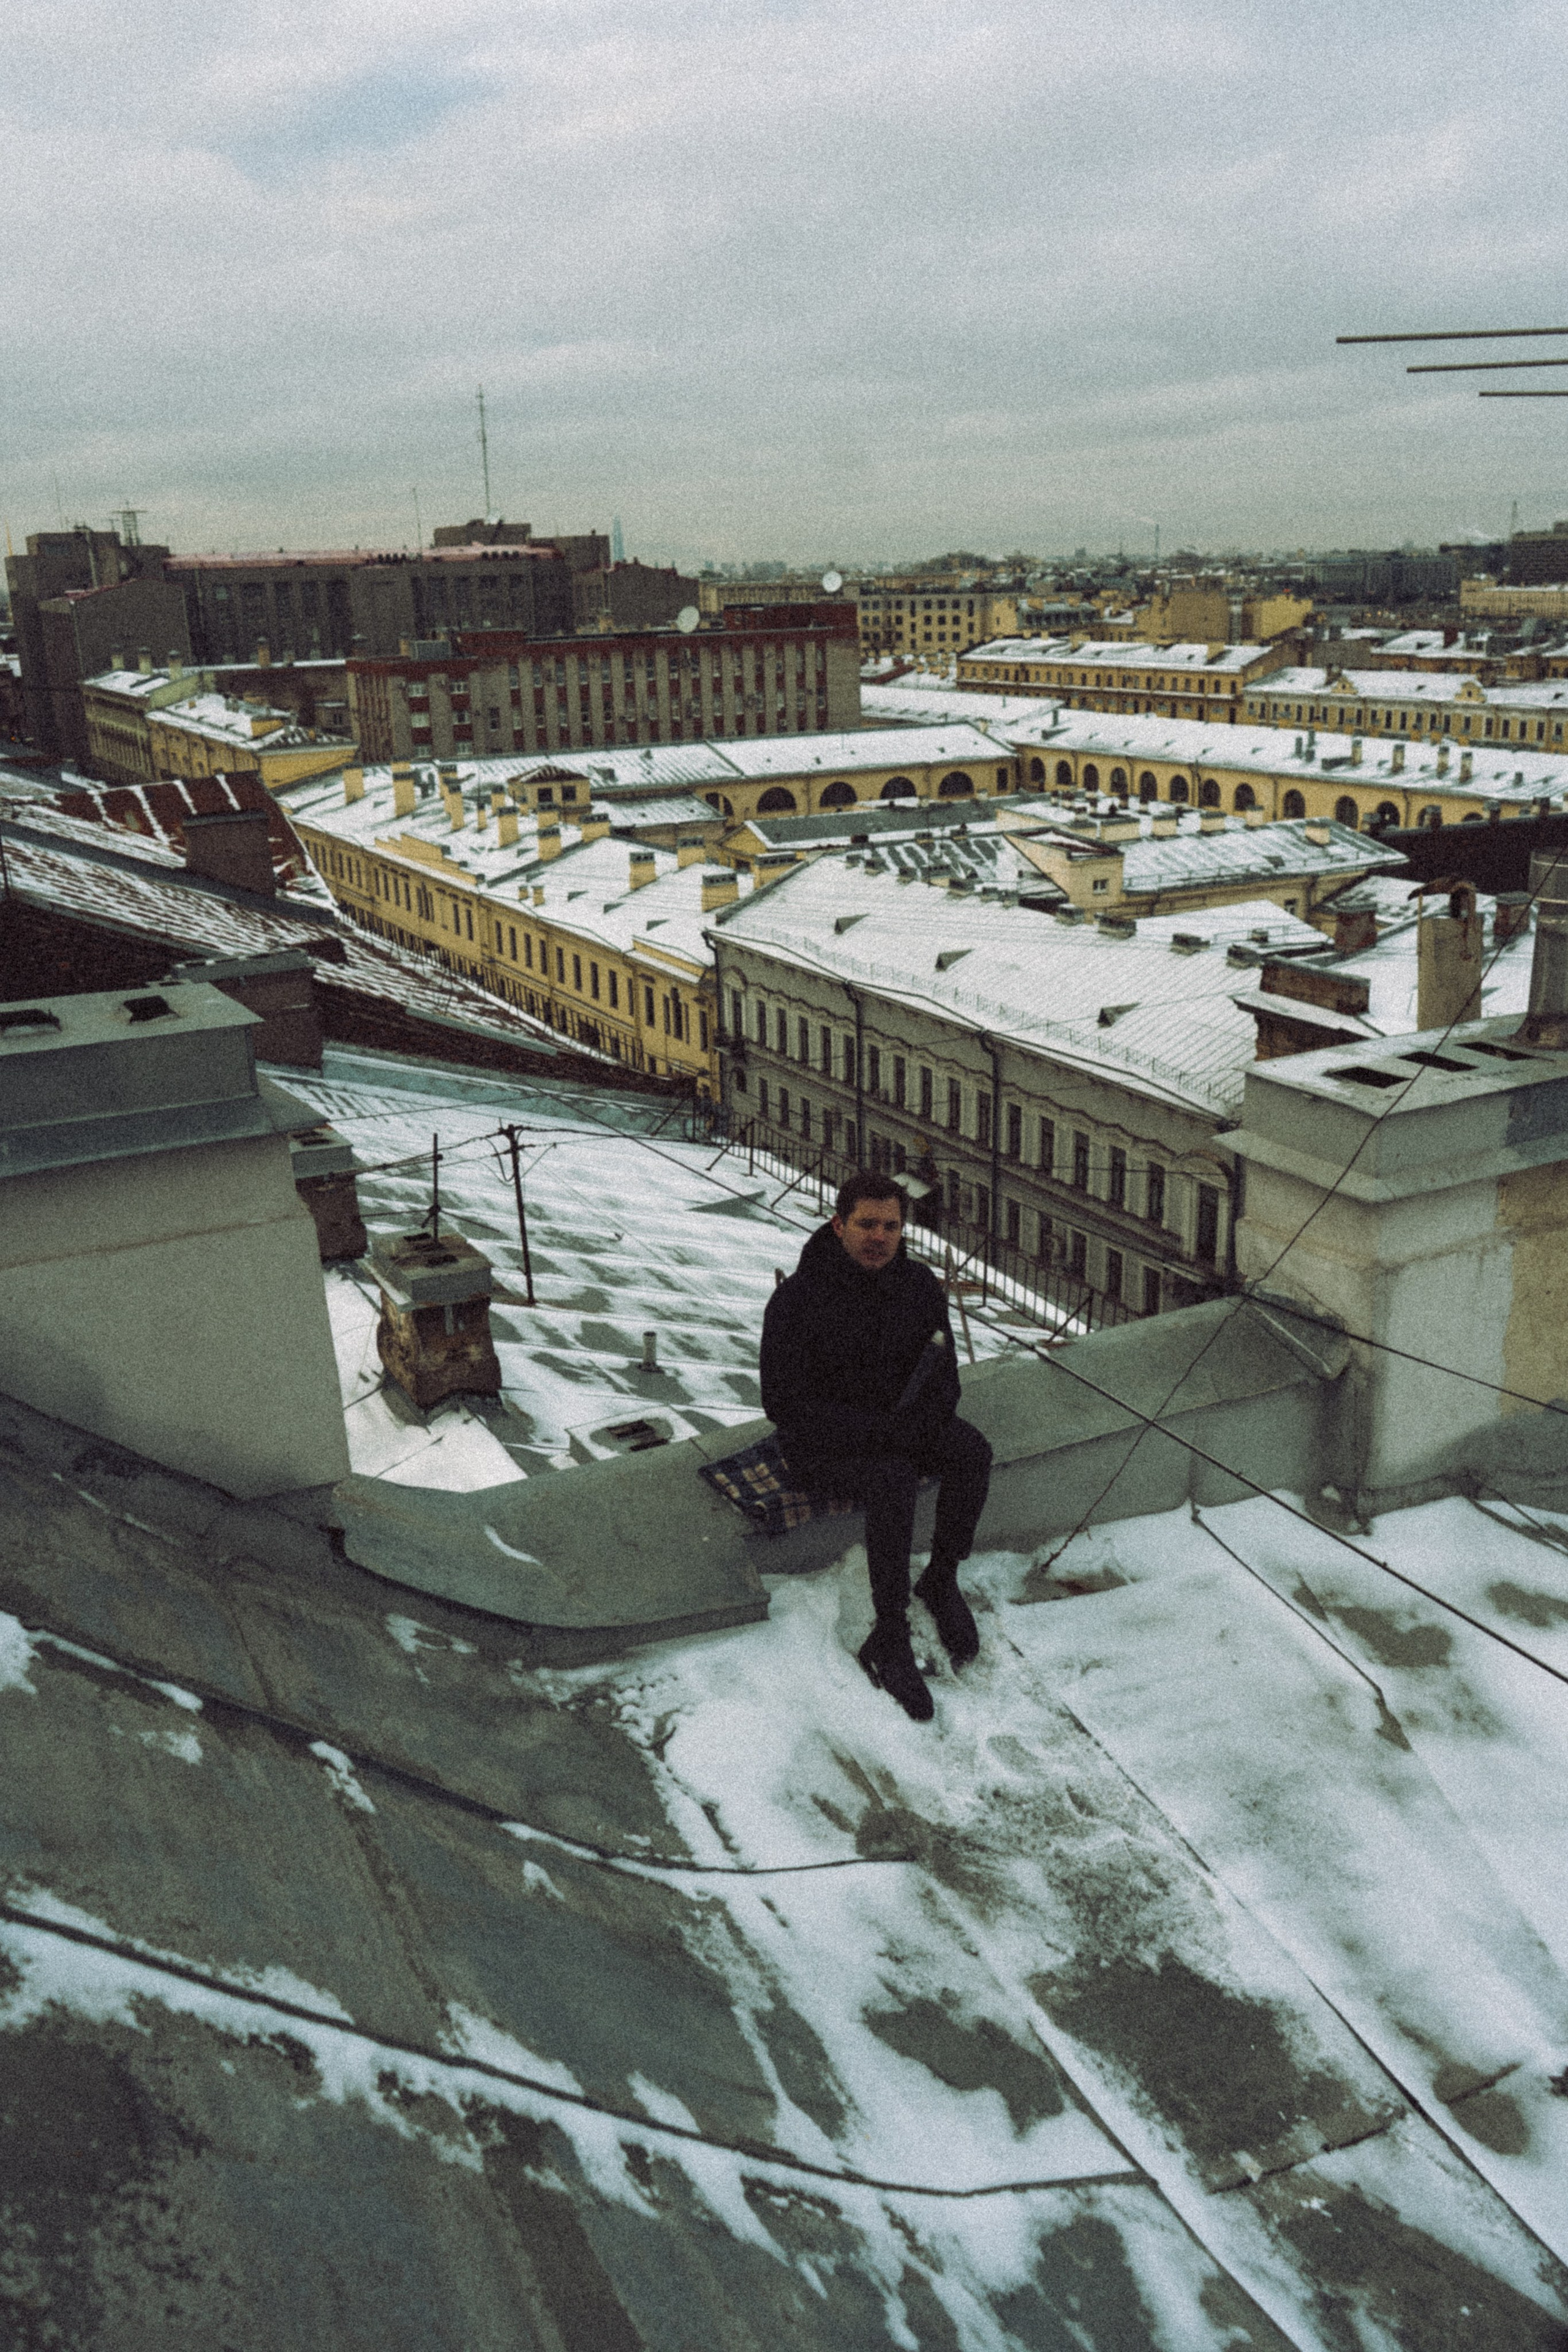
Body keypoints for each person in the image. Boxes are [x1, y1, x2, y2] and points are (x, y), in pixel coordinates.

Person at [760, 1171, 993, 1722]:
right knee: (890, 1478)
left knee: (971, 1452)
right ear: (839, 1225)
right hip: (822, 1444)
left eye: (891, 1226)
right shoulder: (799, 1298)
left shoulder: (918, 1285)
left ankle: (940, 1578)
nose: (879, 1237)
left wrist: (922, 1422)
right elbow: (783, 1403)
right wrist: (879, 1434)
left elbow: (946, 1376)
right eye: (866, 1224)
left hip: (898, 1428)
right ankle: (889, 1634)